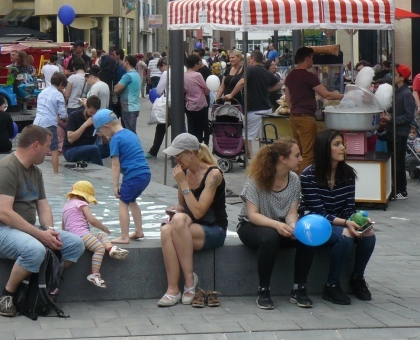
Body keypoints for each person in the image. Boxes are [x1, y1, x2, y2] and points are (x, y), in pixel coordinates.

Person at [0, 125, 85, 317]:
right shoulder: (6, 169)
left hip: (25, 230)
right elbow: (4, 214)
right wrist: (40, 235)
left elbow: (43, 206)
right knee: (35, 250)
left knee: (75, 244)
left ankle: (45, 284)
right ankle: (7, 295)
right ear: (36, 145)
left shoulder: (35, 172)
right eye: (47, 146)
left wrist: (50, 231)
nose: (49, 151)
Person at [300, 129, 376, 305]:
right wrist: (347, 223)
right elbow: (319, 212)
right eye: (337, 144)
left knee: (369, 232)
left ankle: (357, 277)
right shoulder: (308, 176)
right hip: (315, 223)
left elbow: (349, 207)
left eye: (343, 144)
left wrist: (359, 220)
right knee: (345, 235)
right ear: (324, 149)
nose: (342, 148)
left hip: (340, 222)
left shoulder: (347, 174)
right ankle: (331, 284)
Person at [237, 139, 314, 310]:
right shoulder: (256, 178)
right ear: (283, 159)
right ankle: (263, 290)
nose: (301, 159)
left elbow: (291, 212)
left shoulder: (294, 179)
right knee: (270, 236)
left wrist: (293, 226)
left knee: (306, 234)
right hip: (252, 226)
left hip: (279, 225)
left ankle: (299, 288)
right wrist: (277, 226)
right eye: (297, 155)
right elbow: (253, 215)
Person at [158, 133, 227, 307]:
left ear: (190, 153)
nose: (176, 161)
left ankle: (189, 281)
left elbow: (198, 212)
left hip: (214, 229)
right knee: (166, 229)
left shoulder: (214, 174)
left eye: (178, 156)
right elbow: (183, 207)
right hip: (190, 227)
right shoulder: (185, 172)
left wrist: (183, 184)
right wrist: (176, 209)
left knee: (174, 226)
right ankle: (173, 289)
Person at [93, 109, 151, 245]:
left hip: (133, 175)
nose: (101, 134)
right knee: (132, 200)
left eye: (101, 131)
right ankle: (139, 231)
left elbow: (115, 164)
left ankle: (124, 236)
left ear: (106, 127)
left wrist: (115, 185)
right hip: (145, 174)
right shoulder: (130, 133)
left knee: (123, 202)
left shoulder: (115, 139)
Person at [284, 47, 343, 172]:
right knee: (308, 153)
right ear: (307, 59)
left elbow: (288, 98)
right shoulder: (309, 76)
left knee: (297, 152)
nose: (313, 60)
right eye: (312, 58)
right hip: (306, 117)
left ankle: (295, 178)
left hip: (294, 117)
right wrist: (345, 96)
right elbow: (326, 95)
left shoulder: (290, 76)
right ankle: (303, 180)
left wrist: (293, 110)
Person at [62, 180, 129, 288]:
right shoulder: (82, 203)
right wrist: (103, 227)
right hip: (82, 234)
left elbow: (63, 226)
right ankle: (94, 274)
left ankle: (110, 249)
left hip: (73, 236)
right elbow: (92, 220)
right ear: (84, 196)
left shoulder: (66, 206)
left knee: (101, 236)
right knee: (99, 248)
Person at [229, 50, 283, 155]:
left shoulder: (250, 69)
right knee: (264, 135)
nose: (249, 61)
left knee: (247, 135)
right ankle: (264, 156)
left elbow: (241, 82)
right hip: (267, 107)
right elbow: (280, 83)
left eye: (250, 59)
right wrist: (268, 90)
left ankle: (252, 158)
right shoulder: (266, 72)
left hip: (254, 109)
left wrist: (231, 95)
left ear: (253, 59)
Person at [32, 72, 68, 174]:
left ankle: (31, 171)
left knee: (35, 147)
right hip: (49, 123)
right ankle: (55, 173)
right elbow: (63, 114)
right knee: (54, 149)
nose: (63, 88)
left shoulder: (42, 92)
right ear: (61, 84)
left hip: (37, 122)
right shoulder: (58, 95)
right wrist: (64, 118)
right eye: (63, 86)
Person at [391, 64, 416, 199]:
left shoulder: (406, 94)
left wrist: (392, 119)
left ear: (402, 78)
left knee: (399, 162)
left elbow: (408, 116)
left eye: (395, 74)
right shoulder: (397, 91)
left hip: (400, 133)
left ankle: (402, 190)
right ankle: (396, 188)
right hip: (395, 131)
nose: (393, 76)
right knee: (395, 162)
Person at [64, 95, 108, 165]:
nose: (92, 115)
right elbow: (70, 139)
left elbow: (106, 143)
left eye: (95, 113)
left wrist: (103, 136)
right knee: (94, 149)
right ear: (86, 107)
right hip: (71, 150)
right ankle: (99, 170)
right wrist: (85, 125)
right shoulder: (74, 116)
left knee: (112, 147)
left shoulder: (97, 118)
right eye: (91, 112)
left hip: (88, 148)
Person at [183, 54, 210, 146]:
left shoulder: (184, 76)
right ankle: (199, 146)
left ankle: (192, 146)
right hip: (200, 104)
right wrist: (207, 92)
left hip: (189, 104)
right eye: (198, 63)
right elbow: (205, 88)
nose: (199, 65)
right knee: (200, 128)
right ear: (195, 64)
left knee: (191, 128)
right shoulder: (197, 75)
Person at [113, 55, 141, 133]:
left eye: (124, 61)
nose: (123, 63)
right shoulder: (136, 74)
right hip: (134, 106)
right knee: (131, 130)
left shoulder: (127, 76)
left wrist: (116, 86)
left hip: (129, 107)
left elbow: (116, 89)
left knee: (130, 132)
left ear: (127, 62)